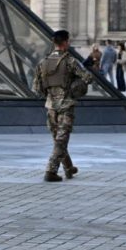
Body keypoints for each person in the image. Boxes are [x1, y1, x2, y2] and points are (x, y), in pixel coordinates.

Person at [33, 30, 94, 182]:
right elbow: (87, 78)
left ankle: (68, 168)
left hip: (50, 106)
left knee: (58, 139)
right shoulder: (70, 61)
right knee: (61, 140)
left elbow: (36, 88)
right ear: (65, 42)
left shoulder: (43, 62)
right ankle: (50, 171)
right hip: (66, 106)